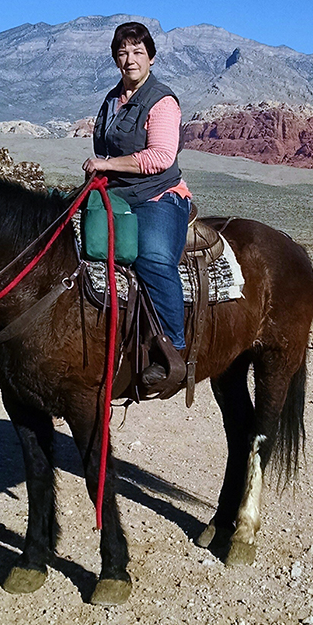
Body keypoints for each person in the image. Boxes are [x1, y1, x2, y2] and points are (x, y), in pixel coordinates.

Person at [83, 22, 191, 387]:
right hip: (114, 192)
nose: (130, 60)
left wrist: (108, 166)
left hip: (156, 195)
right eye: (123, 52)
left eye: (137, 52)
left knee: (153, 258)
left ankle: (173, 349)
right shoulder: (113, 99)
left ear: (151, 58)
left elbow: (160, 156)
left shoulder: (162, 101)